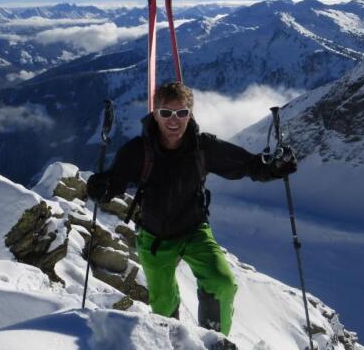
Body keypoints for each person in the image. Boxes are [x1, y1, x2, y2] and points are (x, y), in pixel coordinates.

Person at [86, 82, 296, 338]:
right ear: (155, 113)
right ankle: (172, 342)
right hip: (154, 236)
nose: (174, 120)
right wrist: (102, 188)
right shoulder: (138, 151)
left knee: (222, 283)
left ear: (190, 114)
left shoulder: (203, 147)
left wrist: (274, 168)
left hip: (194, 231)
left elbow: (248, 165)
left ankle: (213, 340)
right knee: (162, 306)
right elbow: (115, 182)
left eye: (181, 113)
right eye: (166, 113)